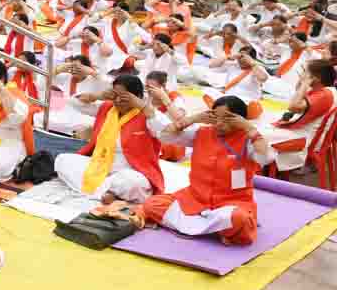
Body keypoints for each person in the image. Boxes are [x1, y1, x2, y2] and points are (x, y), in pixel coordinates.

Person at [141, 96, 275, 246]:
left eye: (226, 119)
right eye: (216, 118)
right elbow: (165, 135)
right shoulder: (201, 132)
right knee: (152, 204)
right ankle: (216, 229)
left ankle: (200, 225)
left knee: (239, 219)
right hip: (194, 199)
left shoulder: (249, 139)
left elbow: (266, 158)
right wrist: (194, 118)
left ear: (240, 120)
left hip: (230, 203)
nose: (219, 123)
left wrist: (249, 127)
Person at [54, 74, 166, 203]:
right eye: (114, 96)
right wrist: (98, 96)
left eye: (123, 97)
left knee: (133, 182)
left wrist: (142, 105)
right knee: (63, 160)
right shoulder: (107, 108)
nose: (117, 101)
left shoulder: (148, 116)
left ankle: (108, 190)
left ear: (138, 97)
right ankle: (109, 192)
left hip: (130, 170)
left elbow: (164, 128)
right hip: (99, 165)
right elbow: (74, 102)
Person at [260, 60, 336, 172]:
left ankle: (254, 170)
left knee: (256, 134)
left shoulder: (324, 95)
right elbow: (297, 95)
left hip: (305, 139)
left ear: (316, 78)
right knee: (264, 120)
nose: (301, 74)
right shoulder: (328, 90)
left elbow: (293, 106)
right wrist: (302, 82)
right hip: (307, 134)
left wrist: (305, 83)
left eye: (305, 71)